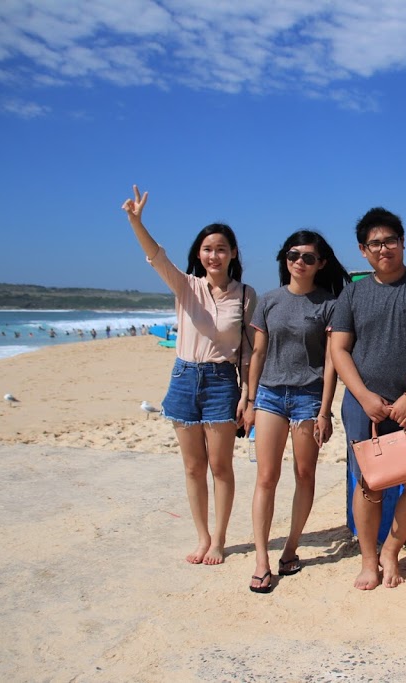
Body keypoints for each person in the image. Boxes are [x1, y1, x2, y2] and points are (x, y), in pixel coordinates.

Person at [121, 185, 256, 565]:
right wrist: (136, 221)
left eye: (222, 248)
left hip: (221, 382)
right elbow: (154, 255)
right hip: (183, 379)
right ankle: (202, 537)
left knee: (221, 466)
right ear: (199, 254)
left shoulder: (246, 295)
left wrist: (248, 395)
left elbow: (249, 350)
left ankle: (219, 540)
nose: (214, 255)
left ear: (232, 254)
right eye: (208, 249)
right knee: (193, 467)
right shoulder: (186, 286)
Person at [330, 207, 406, 590]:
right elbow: (339, 350)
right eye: (375, 243)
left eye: (390, 241)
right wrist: (364, 396)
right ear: (363, 251)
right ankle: (369, 560)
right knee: (369, 482)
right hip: (363, 404)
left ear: (403, 243)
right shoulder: (352, 293)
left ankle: (391, 549)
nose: (384, 249)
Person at [242, 231, 349, 594]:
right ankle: (261, 560)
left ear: (320, 263)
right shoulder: (269, 301)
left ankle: (290, 549)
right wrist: (250, 399)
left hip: (308, 397)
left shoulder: (329, 304)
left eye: (307, 257)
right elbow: (257, 353)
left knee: (305, 474)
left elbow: (332, 362)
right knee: (266, 478)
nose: (298, 261)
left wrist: (325, 411)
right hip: (270, 395)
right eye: (292, 255)